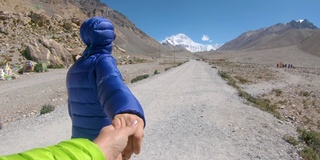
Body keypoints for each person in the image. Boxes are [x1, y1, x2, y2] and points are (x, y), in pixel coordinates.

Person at [66, 16, 146, 159]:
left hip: (78, 141)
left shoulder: (74, 68)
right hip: (104, 142)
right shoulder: (103, 61)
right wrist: (126, 108)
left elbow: (71, 107)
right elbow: (111, 83)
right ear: (108, 38)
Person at [0, 120, 139, 160]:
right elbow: (114, 89)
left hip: (80, 139)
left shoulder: (73, 71)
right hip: (102, 136)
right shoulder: (103, 63)